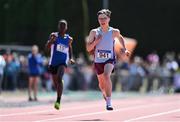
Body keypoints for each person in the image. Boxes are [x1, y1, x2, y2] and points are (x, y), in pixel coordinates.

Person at [86, 9, 130, 110]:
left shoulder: (114, 31)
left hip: (109, 59)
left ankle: (109, 103)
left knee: (107, 76)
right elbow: (88, 48)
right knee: (102, 85)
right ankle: (104, 93)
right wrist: (96, 41)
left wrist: (125, 49)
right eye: (100, 18)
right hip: (98, 61)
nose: (102, 20)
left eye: (104, 18)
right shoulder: (94, 32)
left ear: (109, 19)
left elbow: (120, 37)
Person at [46, 19, 75, 110]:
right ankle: (59, 86)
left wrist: (70, 58)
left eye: (64, 26)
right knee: (56, 83)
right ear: (58, 27)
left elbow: (69, 48)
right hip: (53, 62)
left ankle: (58, 100)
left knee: (59, 78)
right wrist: (51, 41)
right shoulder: (54, 35)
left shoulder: (69, 39)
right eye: (60, 26)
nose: (62, 28)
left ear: (66, 28)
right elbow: (46, 48)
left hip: (63, 62)